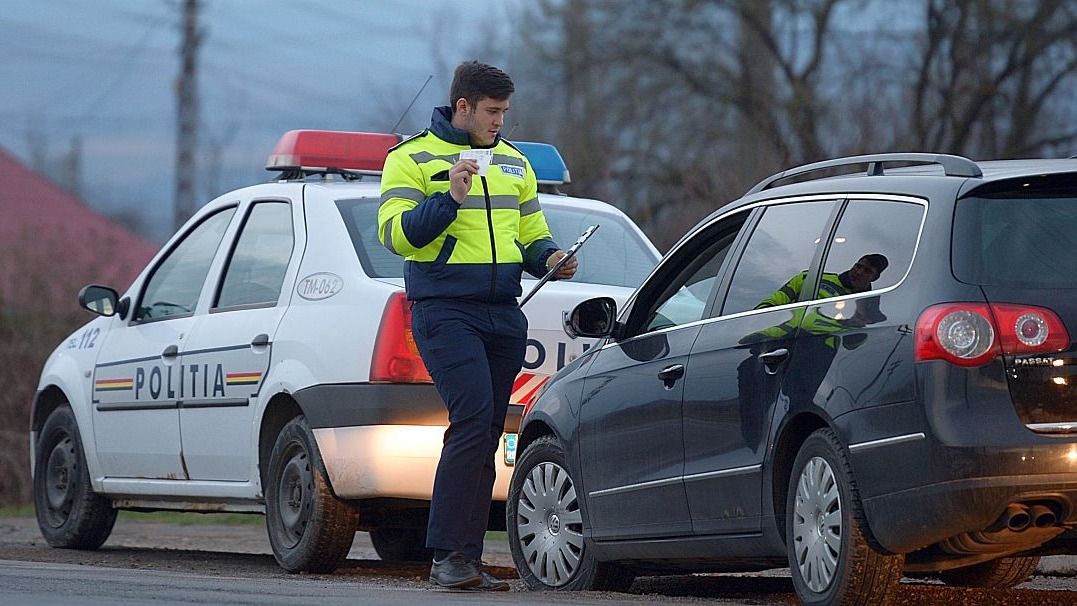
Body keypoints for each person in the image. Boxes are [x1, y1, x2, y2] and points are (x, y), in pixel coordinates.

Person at [378, 61, 577, 591]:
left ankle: (464, 557)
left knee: (488, 430)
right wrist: (450, 199)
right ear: (462, 106)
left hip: (503, 312)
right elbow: (398, 237)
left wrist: (552, 257)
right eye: (491, 112)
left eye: (505, 112)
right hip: (444, 310)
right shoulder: (410, 158)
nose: (499, 122)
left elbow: (531, 234)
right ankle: (448, 556)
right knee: (471, 419)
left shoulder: (515, 163)